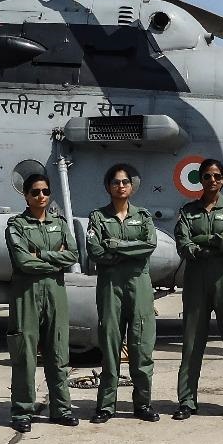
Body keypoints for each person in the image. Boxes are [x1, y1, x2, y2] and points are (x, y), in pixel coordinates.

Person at [173, 159, 223, 422]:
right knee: (192, 341)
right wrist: (216, 242)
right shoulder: (188, 211)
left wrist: (204, 241)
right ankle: (186, 400)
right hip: (196, 281)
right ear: (201, 179)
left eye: (217, 176)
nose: (212, 181)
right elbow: (183, 244)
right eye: (207, 176)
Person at [4, 173, 80, 433]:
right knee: (25, 354)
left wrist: (41, 255)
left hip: (55, 294)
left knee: (58, 353)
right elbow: (23, 261)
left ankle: (62, 409)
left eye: (45, 191)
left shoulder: (59, 224)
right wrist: (53, 258)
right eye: (35, 192)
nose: (41, 196)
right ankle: (22, 411)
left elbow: (72, 255)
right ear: (26, 195)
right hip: (26, 295)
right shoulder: (16, 225)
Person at [85, 163, 160, 423]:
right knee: (110, 345)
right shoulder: (97, 217)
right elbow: (95, 251)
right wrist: (129, 250)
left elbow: (149, 245)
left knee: (141, 346)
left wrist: (115, 246)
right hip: (110, 287)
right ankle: (106, 406)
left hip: (139, 286)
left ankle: (142, 404)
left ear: (131, 186)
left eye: (125, 182)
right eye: (115, 182)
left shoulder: (144, 216)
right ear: (108, 187)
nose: (121, 186)